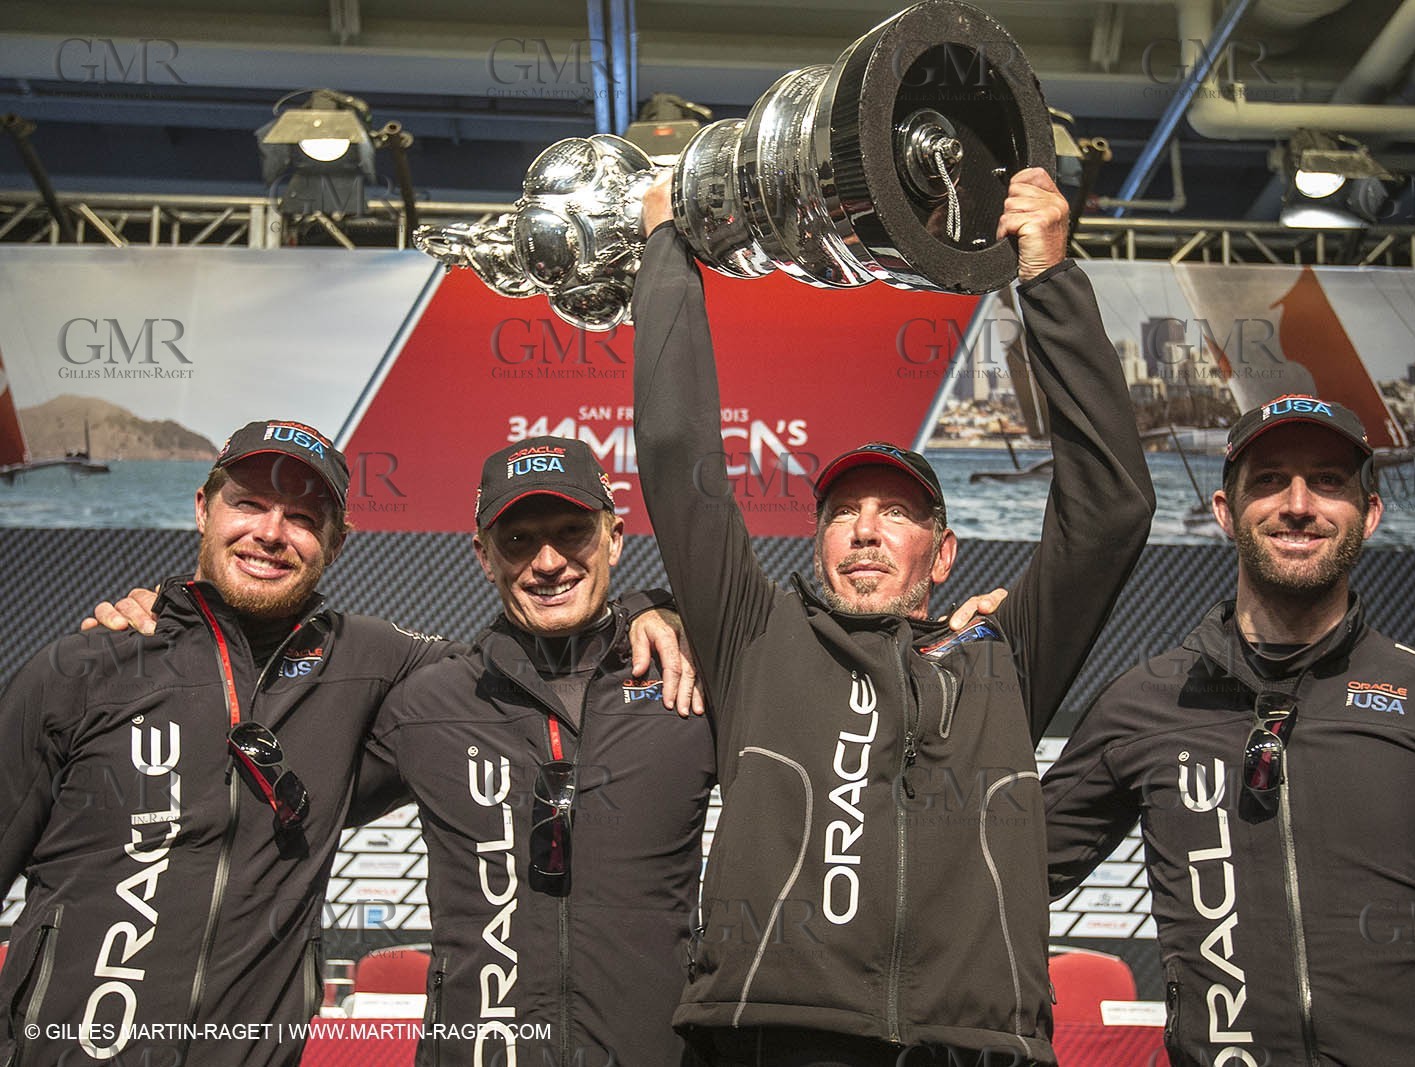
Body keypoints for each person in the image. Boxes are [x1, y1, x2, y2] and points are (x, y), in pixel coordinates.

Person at [630, 167, 1156, 1064]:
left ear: (943, 555)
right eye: (845, 512)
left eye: (898, 513)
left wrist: (1050, 282)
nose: (868, 530)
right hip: (769, 1037)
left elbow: (1110, 509)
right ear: (818, 539)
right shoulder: (754, 637)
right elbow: (682, 464)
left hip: (967, 1045)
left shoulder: (1002, 658)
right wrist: (668, 257)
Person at [0, 421, 690, 1067]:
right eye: (248, 504)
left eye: (303, 517)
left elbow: (528, 645)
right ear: (203, 508)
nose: (271, 533)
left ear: (335, 544)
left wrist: (646, 608)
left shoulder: (375, 661)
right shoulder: (84, 668)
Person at [1041, 395, 1415, 1067]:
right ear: (1224, 511)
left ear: (1369, 515)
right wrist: (964, 673)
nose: (1299, 503)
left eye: (1329, 481)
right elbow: (999, 874)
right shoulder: (1145, 702)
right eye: (1270, 479)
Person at [351, 436, 716, 1067]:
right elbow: (276, 808)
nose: (548, 562)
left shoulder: (689, 679)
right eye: (517, 541)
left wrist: (662, 606)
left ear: (615, 538)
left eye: (573, 531)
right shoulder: (427, 702)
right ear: (481, 556)